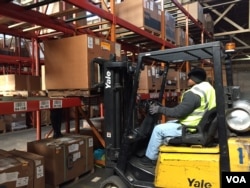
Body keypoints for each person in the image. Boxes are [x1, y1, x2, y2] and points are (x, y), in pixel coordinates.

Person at [140, 67, 216, 165]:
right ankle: (158, 149)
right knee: (168, 123)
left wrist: (159, 109)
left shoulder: (193, 94)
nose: (187, 80)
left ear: (194, 79)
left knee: (158, 129)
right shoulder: (209, 89)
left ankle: (150, 159)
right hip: (200, 124)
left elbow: (178, 113)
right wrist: (163, 109)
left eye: (189, 78)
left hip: (191, 128)